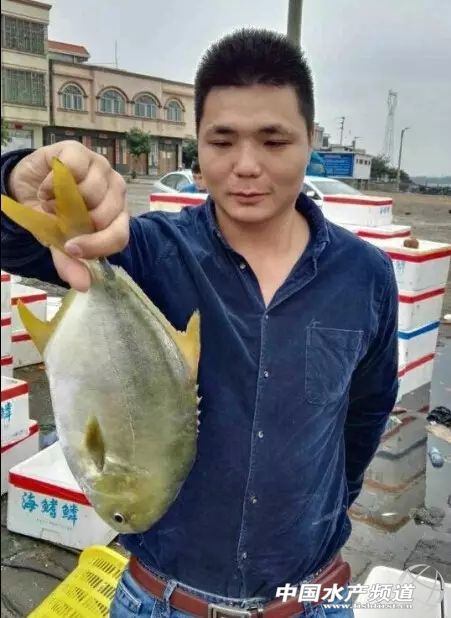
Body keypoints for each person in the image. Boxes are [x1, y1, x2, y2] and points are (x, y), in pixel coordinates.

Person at [0, 28, 398, 618]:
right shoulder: (142, 250)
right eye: (222, 140)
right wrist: (18, 180)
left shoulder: (365, 274)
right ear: (197, 143)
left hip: (310, 599)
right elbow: (17, 243)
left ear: (310, 140)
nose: (246, 166)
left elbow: (365, 411)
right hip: (159, 598)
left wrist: (327, 508)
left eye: (273, 140)